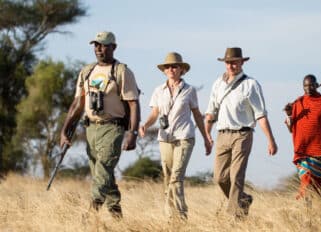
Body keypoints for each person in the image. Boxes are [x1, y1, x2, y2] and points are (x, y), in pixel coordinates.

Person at [60, 31, 141, 218]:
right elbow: (77, 104)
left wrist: (132, 133)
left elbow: (133, 103)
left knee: (103, 169)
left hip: (113, 127)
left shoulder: (122, 71)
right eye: (96, 45)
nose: (99, 48)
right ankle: (117, 216)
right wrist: (64, 131)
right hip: (90, 129)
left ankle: (90, 214)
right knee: (102, 173)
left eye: (103, 45)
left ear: (113, 47)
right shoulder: (87, 71)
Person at [204, 47, 278, 218]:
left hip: (242, 134)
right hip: (222, 134)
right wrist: (207, 134)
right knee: (220, 178)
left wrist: (271, 140)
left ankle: (234, 218)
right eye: (228, 62)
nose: (231, 66)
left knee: (236, 175)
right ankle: (243, 199)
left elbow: (261, 115)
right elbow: (210, 112)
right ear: (224, 64)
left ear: (242, 62)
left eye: (235, 62)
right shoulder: (217, 83)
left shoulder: (251, 84)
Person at [139, 52, 212, 220]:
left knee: (176, 177)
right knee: (168, 177)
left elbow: (197, 115)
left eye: (174, 66)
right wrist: (145, 125)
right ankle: (170, 217)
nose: (171, 69)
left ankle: (181, 216)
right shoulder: (158, 90)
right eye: (168, 67)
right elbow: (155, 113)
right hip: (165, 137)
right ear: (164, 71)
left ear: (181, 70)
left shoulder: (189, 90)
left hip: (184, 136)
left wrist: (206, 137)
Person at [284, 74, 321, 202]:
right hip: (303, 152)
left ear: (317, 84)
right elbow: (291, 128)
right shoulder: (298, 103)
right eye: (305, 86)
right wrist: (289, 114)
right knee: (306, 181)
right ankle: (306, 213)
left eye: (311, 85)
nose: (308, 88)